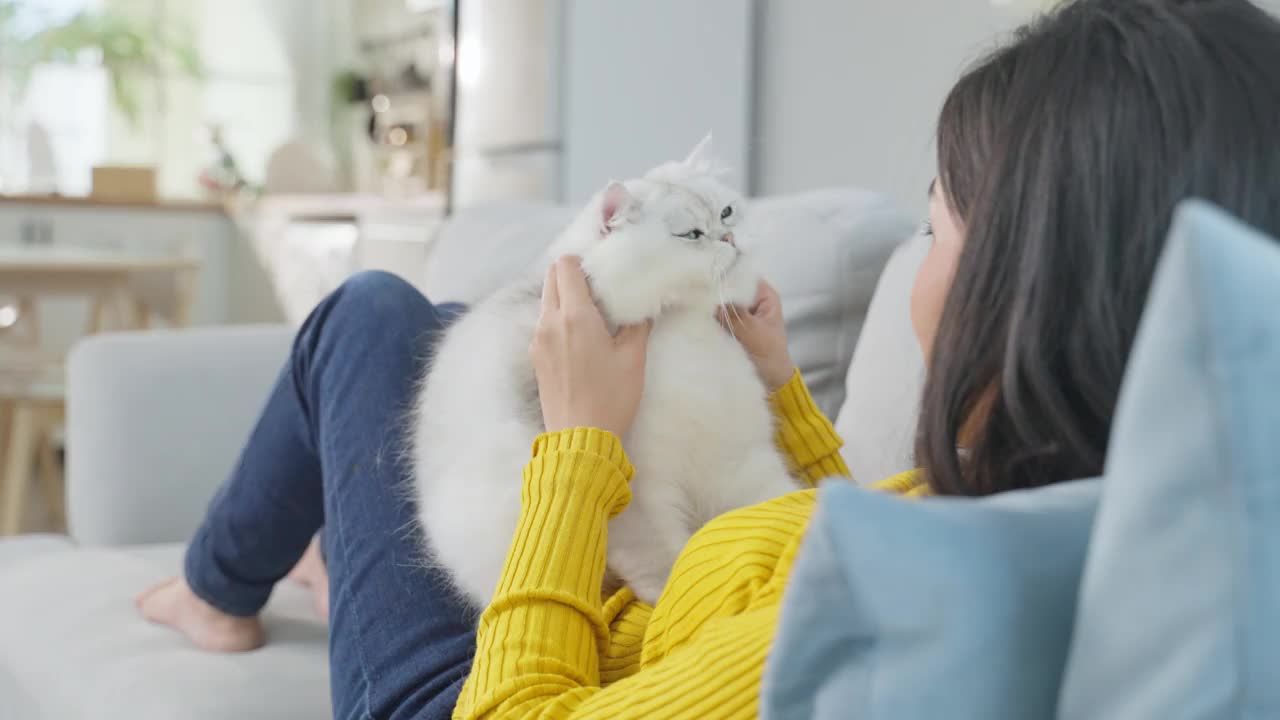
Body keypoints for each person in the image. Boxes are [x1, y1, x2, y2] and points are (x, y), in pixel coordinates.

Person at [135, 0, 1280, 717]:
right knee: (427, 328)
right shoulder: (1054, 500)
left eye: (935, 229)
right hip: (613, 596)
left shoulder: (865, 626)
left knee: (370, 317)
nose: (917, 262)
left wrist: (578, 446)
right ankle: (301, 564)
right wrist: (784, 388)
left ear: (1037, 285)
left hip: (502, 672)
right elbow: (851, 534)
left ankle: (214, 588)